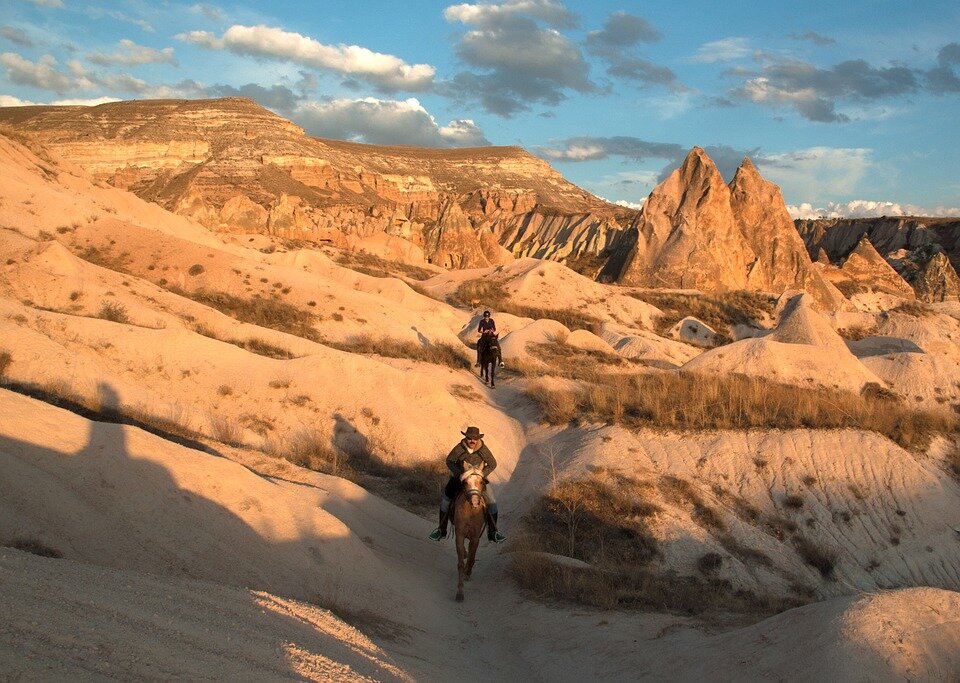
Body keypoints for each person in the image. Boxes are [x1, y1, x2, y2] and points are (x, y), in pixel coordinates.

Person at [429, 426, 506, 543]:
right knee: (446, 499)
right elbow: (449, 460)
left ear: (478, 439)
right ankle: (441, 530)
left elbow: (492, 463)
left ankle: (493, 532)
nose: (472, 441)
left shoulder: (483, 449)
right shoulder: (460, 448)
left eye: (474, 439)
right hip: (460, 479)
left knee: (492, 502)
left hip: (478, 481)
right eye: (470, 438)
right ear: (466, 437)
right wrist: (459, 474)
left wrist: (481, 475)